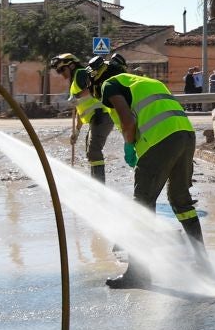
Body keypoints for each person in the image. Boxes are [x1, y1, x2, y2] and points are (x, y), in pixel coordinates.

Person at [94, 53, 202, 289]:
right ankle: (203, 263)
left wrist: (130, 143)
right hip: (185, 135)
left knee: (141, 206)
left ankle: (139, 274)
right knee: (181, 201)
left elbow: (127, 120)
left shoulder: (109, 84)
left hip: (159, 141)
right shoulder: (147, 82)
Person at [50, 51, 113, 181]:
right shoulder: (75, 82)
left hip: (101, 115)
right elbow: (81, 109)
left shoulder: (81, 73)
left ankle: (100, 188)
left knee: (93, 151)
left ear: (71, 66)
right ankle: (96, 183)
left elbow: (92, 88)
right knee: (90, 151)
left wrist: (76, 96)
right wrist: (77, 131)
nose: (61, 73)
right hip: (95, 118)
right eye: (58, 71)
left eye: (62, 69)